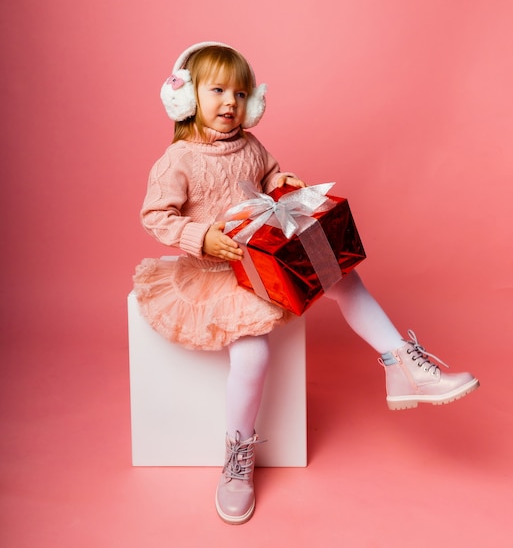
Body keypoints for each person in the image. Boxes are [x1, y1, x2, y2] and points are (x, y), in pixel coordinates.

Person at [133, 41, 479, 525]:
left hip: (263, 259)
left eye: (241, 93)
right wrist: (201, 237)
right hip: (218, 272)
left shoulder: (251, 146)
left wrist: (283, 184)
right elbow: (156, 215)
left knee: (343, 274)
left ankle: (403, 364)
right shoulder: (178, 160)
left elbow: (269, 175)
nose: (230, 102)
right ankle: (237, 459)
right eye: (216, 90)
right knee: (253, 354)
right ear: (185, 97)